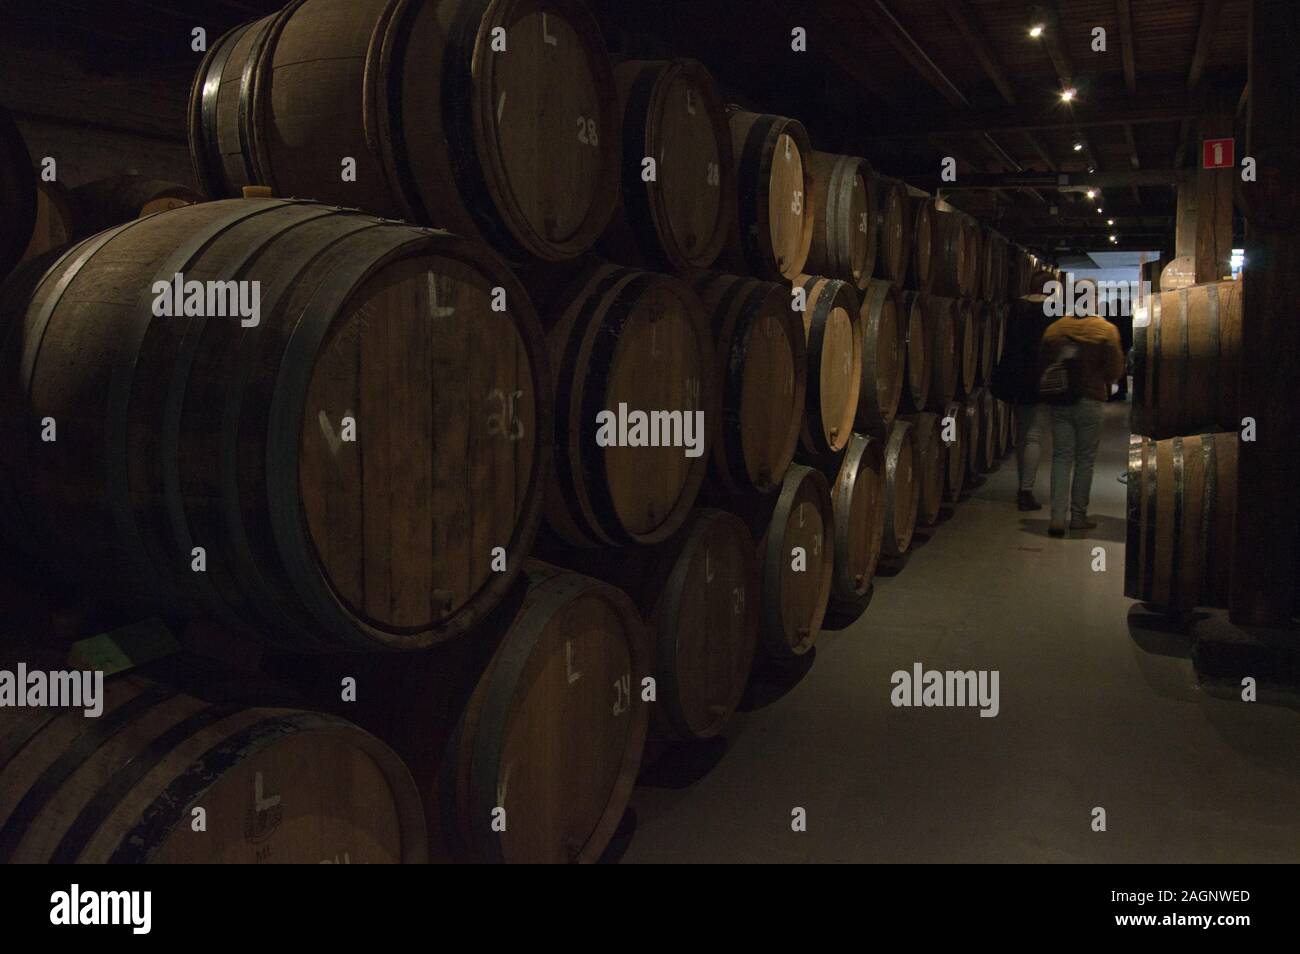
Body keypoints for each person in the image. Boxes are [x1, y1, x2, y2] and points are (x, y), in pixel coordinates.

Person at [1038, 280, 1125, 537]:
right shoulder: (1105, 330)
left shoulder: (1054, 329)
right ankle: (1078, 517)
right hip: (1091, 400)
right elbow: (1116, 370)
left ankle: (1056, 517)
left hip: (1061, 400)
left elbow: (1041, 363)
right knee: (1085, 460)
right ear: (1093, 298)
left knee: (1061, 457)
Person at [991, 271, 1054, 511]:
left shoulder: (1018, 307)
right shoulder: (1052, 309)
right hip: (1041, 379)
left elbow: (1007, 344)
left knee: (1021, 434)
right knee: (1034, 436)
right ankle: (1026, 490)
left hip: (1017, 378)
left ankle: (1022, 486)